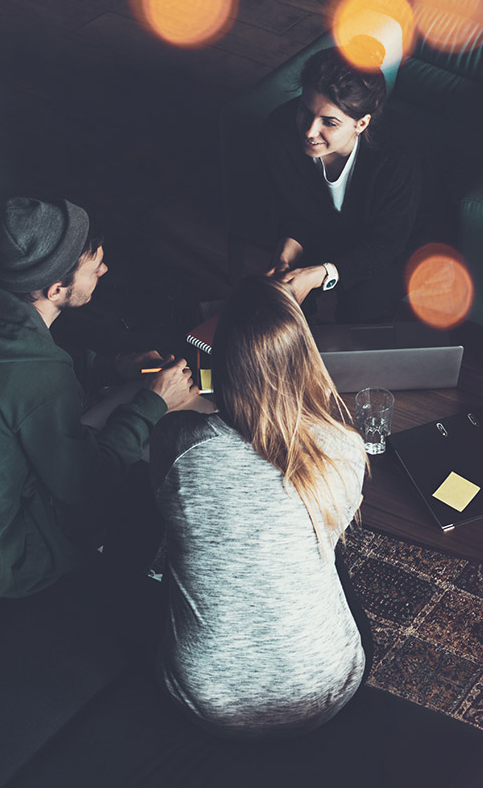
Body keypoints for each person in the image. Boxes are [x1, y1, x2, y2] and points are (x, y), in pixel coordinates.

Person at [0, 197, 204, 601]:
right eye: (94, 266)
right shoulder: (38, 374)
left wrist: (109, 368)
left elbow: (13, 387)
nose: (105, 269)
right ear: (57, 289)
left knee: (99, 414)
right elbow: (89, 491)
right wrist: (153, 403)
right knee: (128, 476)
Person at [148, 276, 369, 737]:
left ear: (222, 360)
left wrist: (167, 407)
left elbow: (169, 503)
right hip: (326, 687)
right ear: (306, 358)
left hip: (209, 702)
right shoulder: (345, 448)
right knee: (323, 550)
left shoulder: (178, 445)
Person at [263, 45, 422, 323]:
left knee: (363, 306)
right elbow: (294, 212)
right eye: (305, 110)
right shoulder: (280, 130)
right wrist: (284, 257)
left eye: (329, 122)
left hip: (396, 242)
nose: (310, 131)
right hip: (328, 229)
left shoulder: (398, 152)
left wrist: (319, 274)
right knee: (278, 292)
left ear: (361, 124)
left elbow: (387, 242)